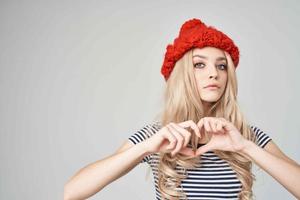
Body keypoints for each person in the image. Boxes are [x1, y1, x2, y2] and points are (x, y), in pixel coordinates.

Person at [64, 18, 300, 200]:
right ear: (182, 75)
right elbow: (72, 192)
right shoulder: (157, 136)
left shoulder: (244, 135)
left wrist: (245, 146)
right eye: (199, 64)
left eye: (222, 66)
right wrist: (146, 148)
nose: (213, 73)